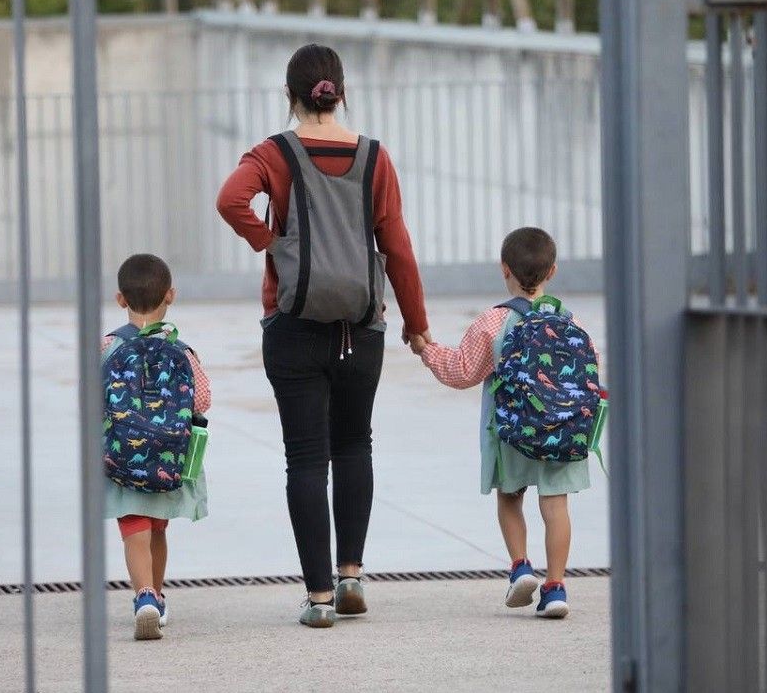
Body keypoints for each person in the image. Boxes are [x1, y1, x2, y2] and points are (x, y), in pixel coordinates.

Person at [216, 44, 430, 627]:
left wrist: (273, 246)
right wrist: (416, 322)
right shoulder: (375, 157)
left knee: (305, 457)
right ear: (340, 89)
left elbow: (230, 199)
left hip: (293, 327)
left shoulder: (274, 154)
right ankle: (352, 575)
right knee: (354, 444)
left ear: (291, 95)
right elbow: (399, 248)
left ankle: (317, 599)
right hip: (362, 329)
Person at [411, 227, 591, 618]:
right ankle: (556, 587)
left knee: (510, 497)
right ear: (553, 271)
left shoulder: (493, 322)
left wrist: (427, 349)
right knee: (555, 505)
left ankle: (520, 567)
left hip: (511, 431)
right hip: (562, 431)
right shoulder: (569, 319)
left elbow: (460, 372)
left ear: (504, 269)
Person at [102, 254, 212, 640]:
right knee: (158, 530)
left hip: (122, 460)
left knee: (134, 528)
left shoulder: (108, 348)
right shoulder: (182, 351)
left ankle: (143, 595)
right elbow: (201, 401)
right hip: (168, 461)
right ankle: (158, 596)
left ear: (120, 299)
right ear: (171, 296)